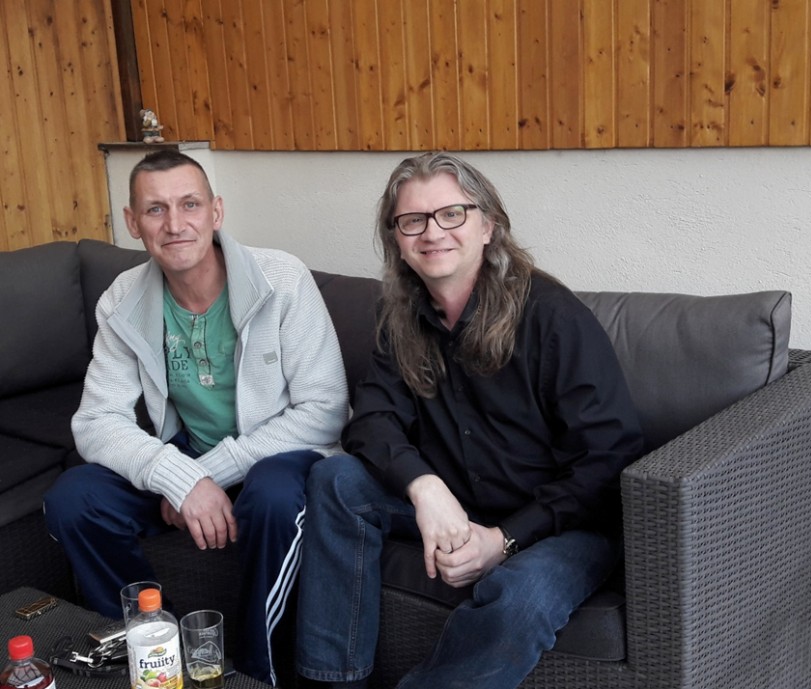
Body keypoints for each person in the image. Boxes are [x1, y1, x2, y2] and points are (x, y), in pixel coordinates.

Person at [295, 152, 644, 689]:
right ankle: (333, 682)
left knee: (520, 596)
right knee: (335, 479)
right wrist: (425, 487)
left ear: (488, 226)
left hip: (561, 523)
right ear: (397, 240)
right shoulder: (401, 316)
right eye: (413, 220)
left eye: (452, 214)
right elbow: (372, 420)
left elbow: (608, 462)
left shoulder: (552, 316)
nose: (433, 232)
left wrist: (504, 540)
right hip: (454, 503)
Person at [43, 149, 349, 686]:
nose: (175, 223)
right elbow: (96, 421)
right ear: (133, 222)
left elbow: (324, 412)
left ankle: (256, 672)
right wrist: (178, 476)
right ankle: (153, 647)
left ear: (216, 212)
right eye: (155, 209)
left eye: (190, 204)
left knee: (274, 496)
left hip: (280, 456)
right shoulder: (123, 299)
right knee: (74, 498)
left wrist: (202, 476)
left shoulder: (282, 279)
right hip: (190, 452)